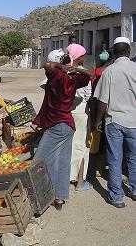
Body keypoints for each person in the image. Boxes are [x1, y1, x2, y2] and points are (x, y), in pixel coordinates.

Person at [33, 43, 92, 210]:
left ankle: (39, 197)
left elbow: (47, 65)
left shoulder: (56, 76)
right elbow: (90, 74)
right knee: (62, 161)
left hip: (57, 125)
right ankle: (59, 198)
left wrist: (64, 67)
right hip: (67, 125)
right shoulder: (73, 78)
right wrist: (74, 68)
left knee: (39, 160)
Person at [93, 37, 136, 208]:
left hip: (114, 121)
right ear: (128, 52)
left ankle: (117, 197)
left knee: (115, 159)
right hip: (133, 121)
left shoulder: (109, 71)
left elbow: (102, 100)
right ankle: (134, 190)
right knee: (133, 158)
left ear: (114, 53)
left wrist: (98, 120)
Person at [68, 45, 93, 191]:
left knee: (69, 146)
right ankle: (80, 182)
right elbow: (88, 96)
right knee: (81, 147)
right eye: (83, 56)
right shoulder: (82, 74)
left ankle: (67, 176)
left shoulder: (62, 71)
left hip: (67, 112)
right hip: (81, 113)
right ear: (78, 58)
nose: (84, 58)